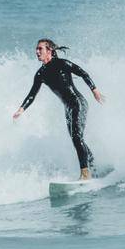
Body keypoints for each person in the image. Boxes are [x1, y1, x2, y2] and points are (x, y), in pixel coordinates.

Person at [12, 38, 105, 179]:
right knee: (77, 139)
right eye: (36, 49)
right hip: (68, 108)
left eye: (40, 49)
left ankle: (85, 173)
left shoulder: (62, 64)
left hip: (78, 103)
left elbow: (83, 73)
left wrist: (94, 90)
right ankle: (93, 169)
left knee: (76, 138)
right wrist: (21, 109)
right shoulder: (40, 74)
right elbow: (32, 95)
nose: (37, 51)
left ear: (49, 50)